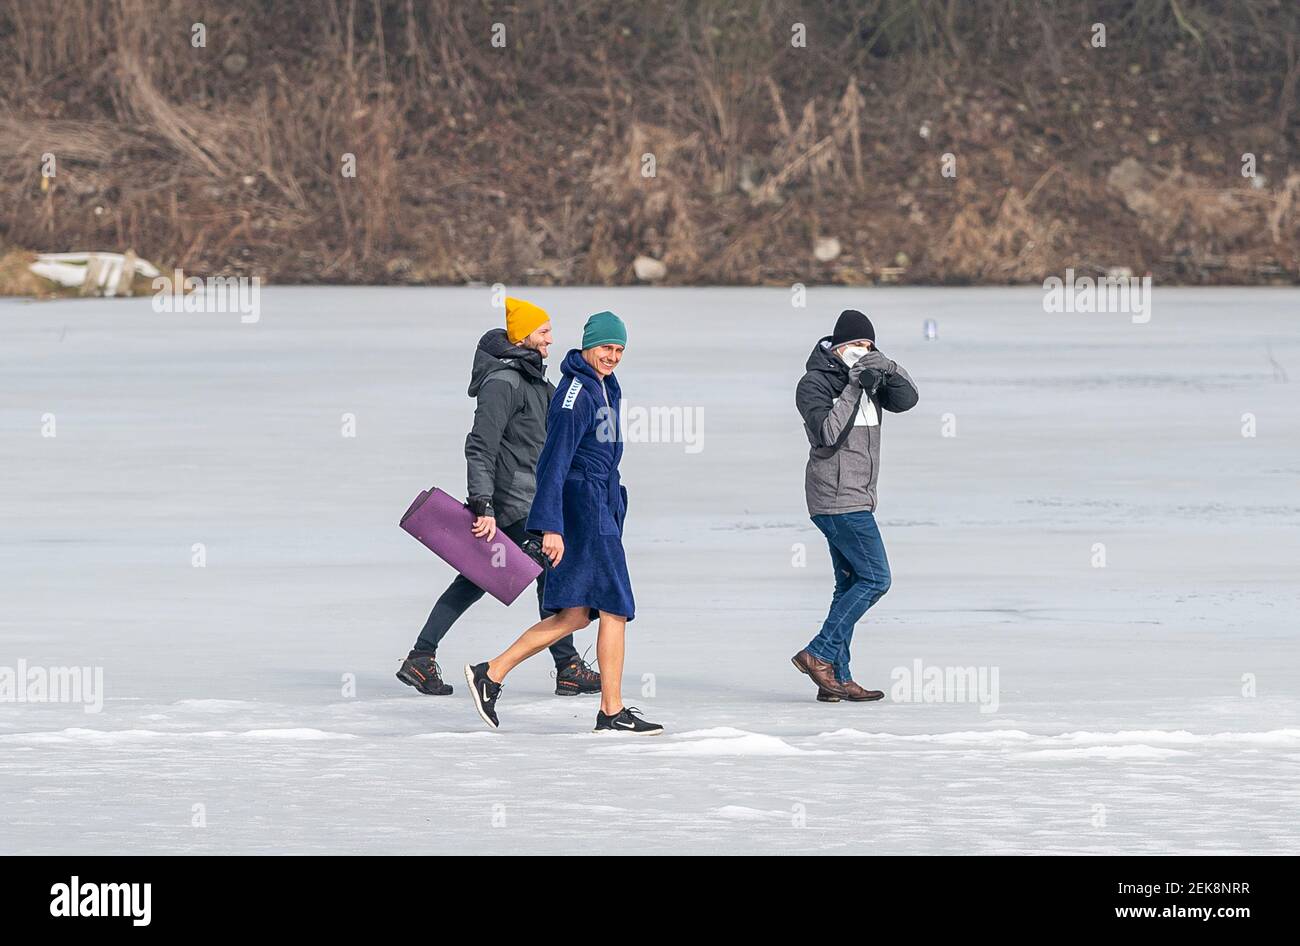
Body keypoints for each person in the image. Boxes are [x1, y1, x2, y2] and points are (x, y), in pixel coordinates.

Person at [465, 311, 662, 735]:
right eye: (606, 348)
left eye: (619, 350)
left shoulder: (608, 387)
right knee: (615, 607)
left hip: (600, 505)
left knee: (574, 615)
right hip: (579, 508)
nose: (612, 356)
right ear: (588, 345)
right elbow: (553, 463)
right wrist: (550, 526)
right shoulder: (575, 393)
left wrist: (614, 505)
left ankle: (491, 673)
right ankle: (611, 710)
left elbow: (608, 451)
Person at [396, 297, 601, 697]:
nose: (551, 339)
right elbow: (480, 446)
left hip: (532, 498)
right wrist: (483, 505)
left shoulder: (536, 383)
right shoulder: (502, 384)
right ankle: (567, 665)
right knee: (533, 571)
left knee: (490, 576)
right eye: (543, 332)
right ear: (523, 336)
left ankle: (422, 657)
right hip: (511, 503)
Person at [792, 309, 919, 702]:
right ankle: (818, 653)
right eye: (856, 346)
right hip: (835, 499)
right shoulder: (813, 384)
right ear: (837, 347)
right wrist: (852, 386)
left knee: (848, 583)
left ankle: (837, 680)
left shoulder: (871, 380)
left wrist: (889, 369)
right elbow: (828, 435)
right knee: (876, 579)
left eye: (869, 347)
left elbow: (907, 400)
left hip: (858, 497)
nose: (862, 353)